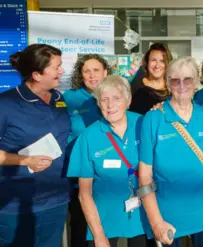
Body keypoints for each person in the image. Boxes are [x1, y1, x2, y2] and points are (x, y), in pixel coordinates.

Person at [139, 57, 203, 247]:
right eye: (176, 80)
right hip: (168, 214)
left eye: (188, 79)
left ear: (196, 83)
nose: (182, 85)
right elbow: (144, 177)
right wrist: (156, 221)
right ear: (168, 84)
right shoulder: (152, 119)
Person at [0, 44, 71, 247]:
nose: (62, 71)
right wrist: (25, 160)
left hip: (56, 200)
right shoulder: (6, 104)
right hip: (15, 206)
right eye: (56, 67)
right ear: (37, 75)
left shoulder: (59, 98)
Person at [67, 75, 147, 247]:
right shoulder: (88, 138)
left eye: (116, 98)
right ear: (98, 104)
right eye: (104, 99)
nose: (110, 105)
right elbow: (84, 194)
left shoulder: (144, 124)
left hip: (144, 216)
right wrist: (99, 236)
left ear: (128, 100)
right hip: (105, 221)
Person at [64, 54, 111, 247]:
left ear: (105, 72)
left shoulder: (113, 96)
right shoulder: (69, 98)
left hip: (110, 177)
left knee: (108, 230)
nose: (92, 75)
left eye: (96, 70)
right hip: (80, 176)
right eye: (86, 71)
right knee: (81, 229)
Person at [130, 43, 173, 115]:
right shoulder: (136, 85)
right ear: (147, 62)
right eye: (153, 60)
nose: (157, 65)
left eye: (162, 61)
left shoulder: (173, 88)